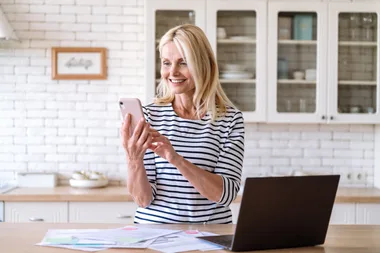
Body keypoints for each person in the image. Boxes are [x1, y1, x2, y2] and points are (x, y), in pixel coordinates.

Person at [121, 24, 245, 224]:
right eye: (166, 63)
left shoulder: (230, 120)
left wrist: (175, 158)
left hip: (211, 236)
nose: (172, 72)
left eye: (183, 63)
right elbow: (143, 200)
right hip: (156, 235)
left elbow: (225, 194)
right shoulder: (150, 115)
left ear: (203, 65)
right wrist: (133, 160)